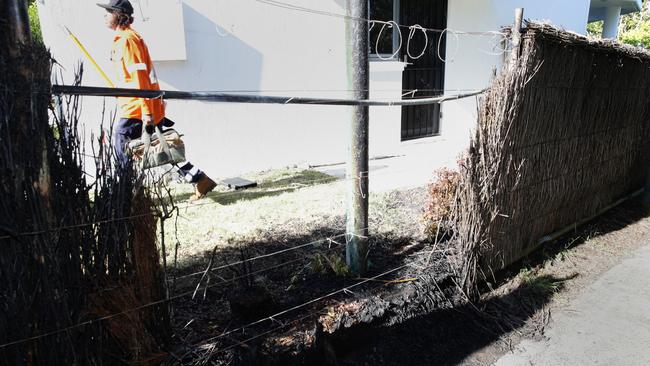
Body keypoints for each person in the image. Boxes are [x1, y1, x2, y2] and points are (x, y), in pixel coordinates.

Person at [97, 0, 216, 200]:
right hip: (142, 105)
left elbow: (139, 77)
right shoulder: (125, 39)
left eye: (108, 11)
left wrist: (147, 112)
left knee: (121, 143)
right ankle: (199, 179)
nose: (105, 15)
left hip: (137, 108)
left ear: (118, 14)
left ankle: (125, 194)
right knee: (163, 147)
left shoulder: (128, 40)